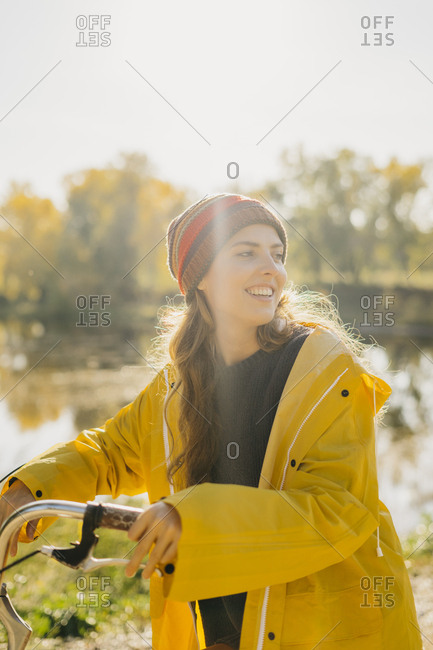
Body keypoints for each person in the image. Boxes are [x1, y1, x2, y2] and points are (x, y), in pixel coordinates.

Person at [0, 193, 423, 649]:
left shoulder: (329, 376)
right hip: (221, 632)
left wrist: (191, 518)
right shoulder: (175, 386)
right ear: (200, 279)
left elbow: (335, 509)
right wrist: (27, 490)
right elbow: (109, 451)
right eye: (246, 252)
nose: (272, 269)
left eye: (277, 255)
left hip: (328, 629)